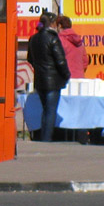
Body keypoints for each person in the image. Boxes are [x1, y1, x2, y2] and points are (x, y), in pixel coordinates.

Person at [28, 11, 71, 143]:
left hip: (40, 80)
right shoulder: (53, 38)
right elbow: (60, 60)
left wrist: (40, 68)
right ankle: (47, 139)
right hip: (53, 81)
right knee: (51, 111)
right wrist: (66, 75)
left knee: (45, 110)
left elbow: (30, 59)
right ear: (52, 24)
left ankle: (43, 138)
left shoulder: (33, 39)